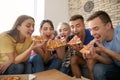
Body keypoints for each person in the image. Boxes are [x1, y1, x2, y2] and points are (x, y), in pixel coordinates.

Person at [85, 10, 120, 80]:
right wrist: (95, 56)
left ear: (108, 25)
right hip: (117, 68)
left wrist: (104, 50)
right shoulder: (101, 39)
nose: (92, 34)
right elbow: (109, 61)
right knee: (98, 69)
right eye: (90, 30)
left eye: (95, 28)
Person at [69, 14, 94, 79]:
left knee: (90, 60)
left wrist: (81, 49)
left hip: (93, 59)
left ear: (84, 26)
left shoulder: (92, 34)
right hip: (83, 59)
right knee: (73, 59)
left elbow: (95, 55)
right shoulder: (71, 38)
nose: (75, 30)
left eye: (78, 26)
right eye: (72, 27)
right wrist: (77, 51)